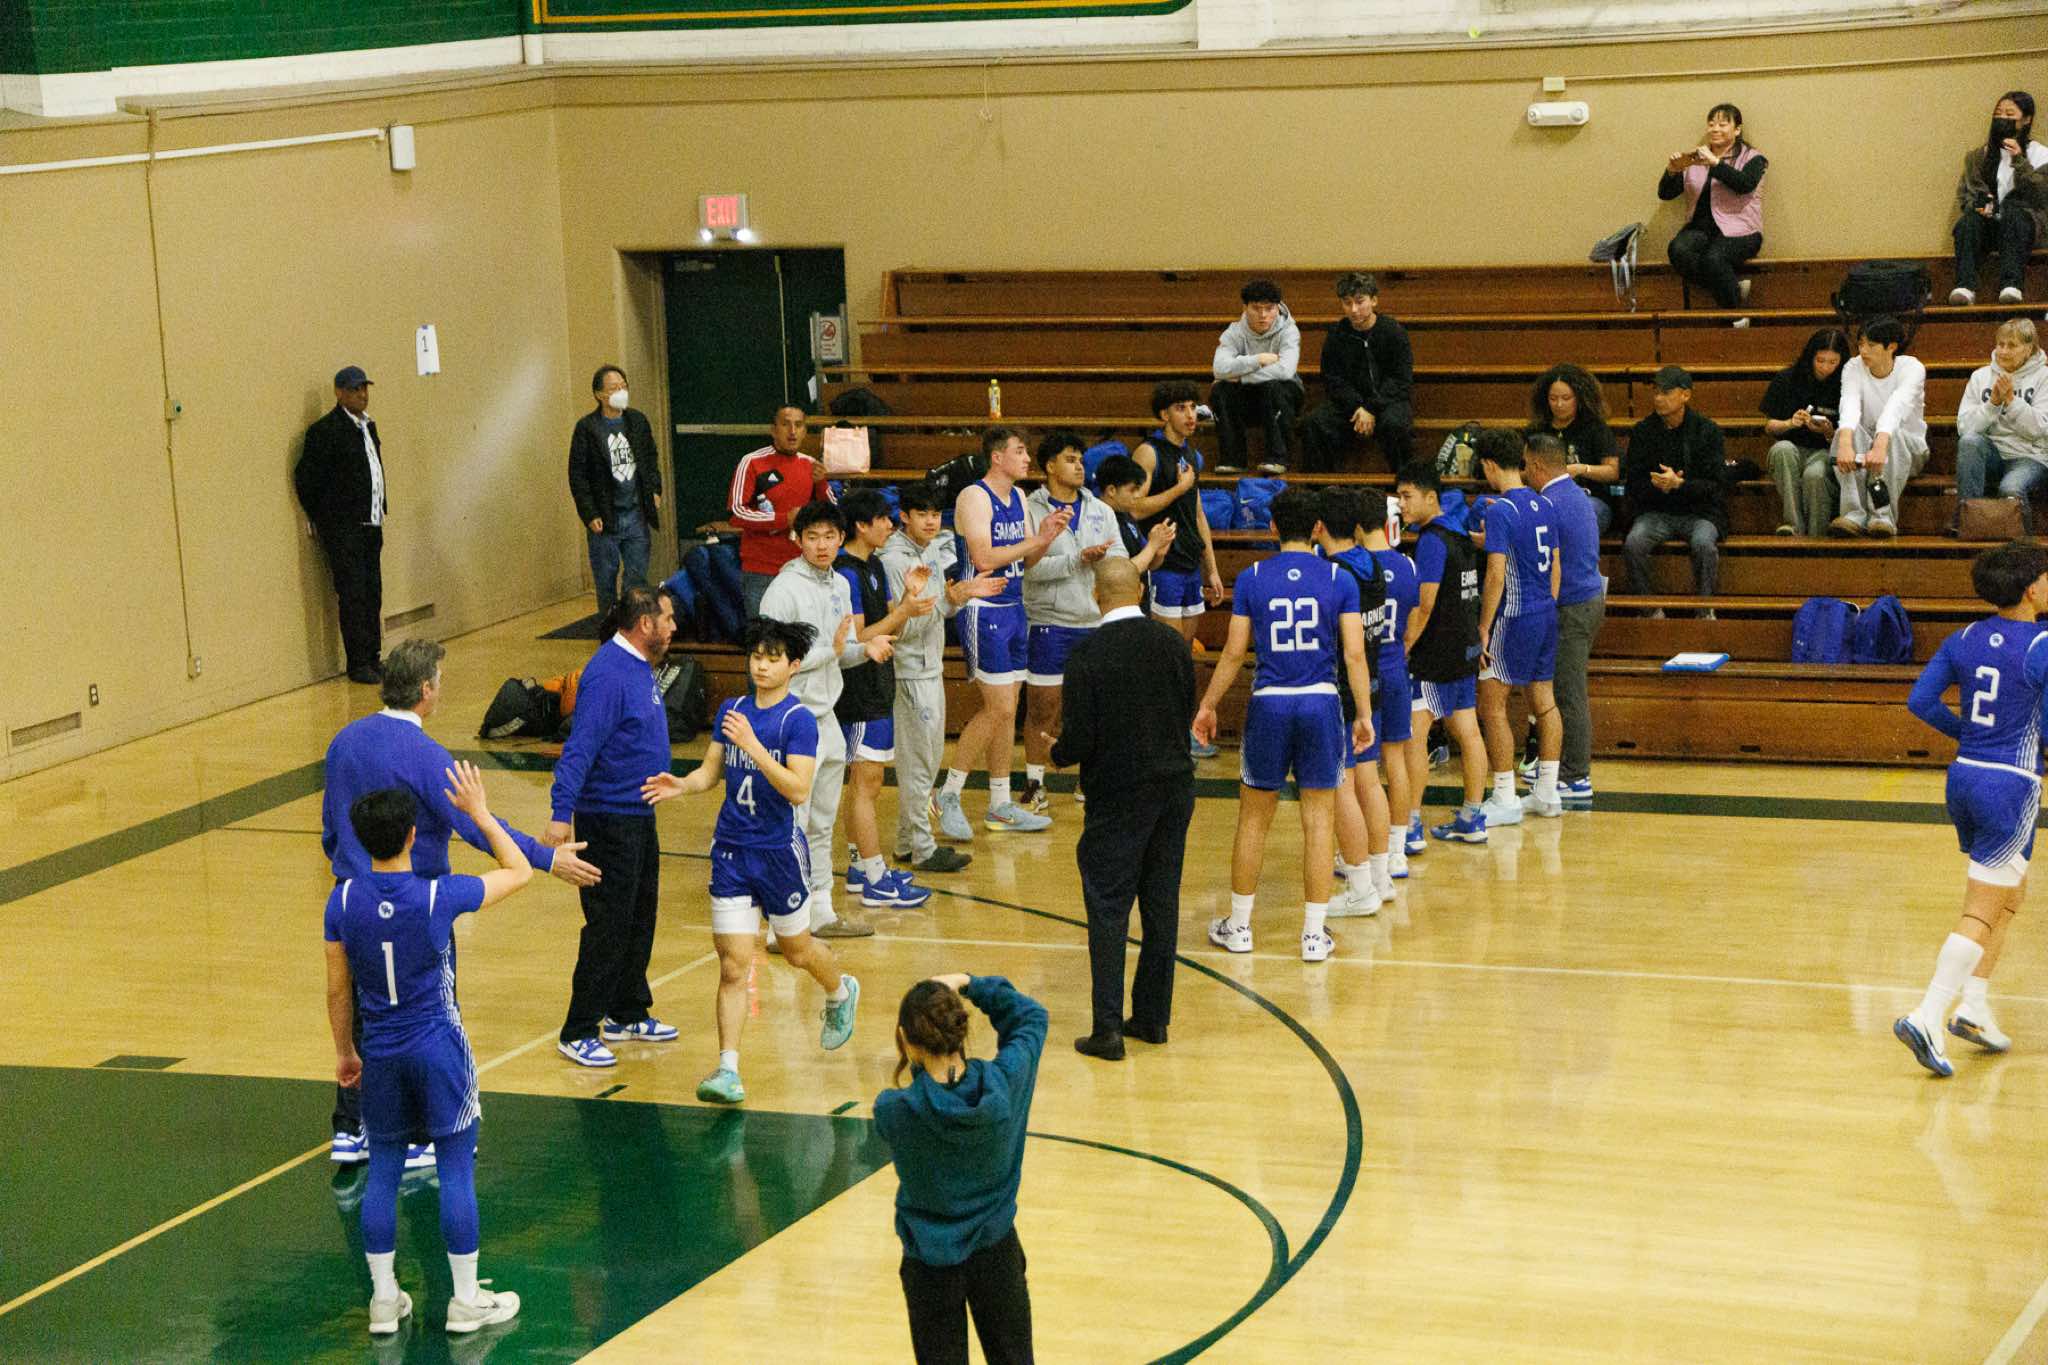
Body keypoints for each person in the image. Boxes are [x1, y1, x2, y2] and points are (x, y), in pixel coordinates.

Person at [322, 638, 599, 1162]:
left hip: (351, 900)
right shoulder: (428, 757)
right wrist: (546, 857)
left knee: (367, 1009)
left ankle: (352, 1126)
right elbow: (477, 826)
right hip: (415, 906)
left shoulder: (343, 743)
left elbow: (330, 829)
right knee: (430, 1017)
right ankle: (424, 1133)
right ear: (426, 689)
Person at [324, 766, 529, 1336]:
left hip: (381, 1053)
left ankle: (383, 1300)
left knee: (384, 1171)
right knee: (455, 1167)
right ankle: (465, 1300)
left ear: (361, 839)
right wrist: (480, 813)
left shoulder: (341, 901)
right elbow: (518, 870)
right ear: (413, 836)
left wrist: (345, 1052)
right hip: (438, 1049)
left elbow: (337, 990)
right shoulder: (439, 894)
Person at [641, 617, 862, 1105]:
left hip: (778, 853)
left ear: (793, 666)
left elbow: (798, 789)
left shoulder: (797, 721)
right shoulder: (733, 710)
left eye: (772, 659)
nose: (761, 666)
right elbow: (710, 773)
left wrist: (756, 748)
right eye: (756, 657)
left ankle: (840, 990)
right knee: (733, 966)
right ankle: (728, 1070)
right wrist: (682, 785)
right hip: (731, 851)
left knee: (797, 951)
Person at [1193, 489, 1374, 963]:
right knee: (1319, 821)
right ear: (1317, 528)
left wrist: (1208, 704)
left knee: (1253, 819)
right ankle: (1313, 936)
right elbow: (1354, 654)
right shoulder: (1339, 577)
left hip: (1269, 704)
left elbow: (1235, 652)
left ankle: (1240, 927)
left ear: (1272, 527)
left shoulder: (1252, 577)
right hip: (1321, 702)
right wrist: (1363, 713)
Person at [1895, 541, 2048, 1077]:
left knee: (2009, 894)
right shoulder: (2043, 645)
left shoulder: (1962, 638)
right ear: (2031, 589)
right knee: (1982, 909)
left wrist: (1969, 734)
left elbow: (1920, 701)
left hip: (1964, 777)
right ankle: (1928, 1014)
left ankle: (1974, 1008)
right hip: (2011, 787)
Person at [1047, 558, 1196, 1057]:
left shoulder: (1087, 655)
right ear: (1142, 590)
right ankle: (1152, 1019)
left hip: (1118, 796)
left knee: (1108, 909)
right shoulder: (1173, 644)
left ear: (1096, 597)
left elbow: (1080, 738)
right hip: (1174, 790)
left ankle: (1107, 1030)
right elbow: (1185, 710)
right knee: (1161, 905)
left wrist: (1056, 753)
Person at [875, 973, 1046, 1365]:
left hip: (929, 1263)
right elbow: (1031, 1017)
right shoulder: (1006, 1083)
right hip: (997, 1253)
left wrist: (921, 1063)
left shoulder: (894, 1111)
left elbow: (928, 1094)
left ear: (905, 1040)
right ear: (959, 1029)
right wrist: (969, 983)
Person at [549, 586, 679, 1068]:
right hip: (608, 819)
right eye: (667, 618)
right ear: (645, 624)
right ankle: (579, 1028)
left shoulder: (638, 665)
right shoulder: (607, 674)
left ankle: (627, 1011)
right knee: (608, 924)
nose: (673, 627)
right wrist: (560, 815)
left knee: (640, 915)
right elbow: (579, 748)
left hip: (638, 815)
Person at [761, 501, 897, 939]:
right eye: (812, 537)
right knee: (793, 823)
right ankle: (780, 922)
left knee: (822, 820)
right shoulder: (783, 589)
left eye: (829, 537)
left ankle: (819, 910)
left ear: (841, 539)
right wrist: (833, 652)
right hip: (792, 718)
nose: (821, 545)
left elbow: (842, 651)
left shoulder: (840, 583)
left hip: (827, 718)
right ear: (797, 540)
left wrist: (863, 650)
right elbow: (769, 660)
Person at [934, 428, 1069, 839]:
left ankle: (1000, 804)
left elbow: (1027, 562)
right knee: (998, 709)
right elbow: (983, 557)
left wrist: (1046, 537)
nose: (1027, 458)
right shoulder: (974, 496)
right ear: (997, 457)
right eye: (1020, 451)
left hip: (1014, 607)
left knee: (1008, 712)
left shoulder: (1021, 498)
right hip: (982, 608)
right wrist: (1036, 538)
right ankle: (948, 792)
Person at [881, 482, 1002, 876]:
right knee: (919, 763)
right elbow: (903, 625)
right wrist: (947, 602)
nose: (931, 522)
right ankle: (922, 848)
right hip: (910, 670)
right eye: (923, 514)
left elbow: (936, 610)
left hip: (928, 666)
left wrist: (957, 597)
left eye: (935, 514)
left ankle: (906, 842)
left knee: (927, 759)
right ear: (904, 516)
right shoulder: (894, 560)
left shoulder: (930, 549)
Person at [834, 489, 936, 910]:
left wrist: (909, 602)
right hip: (858, 691)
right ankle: (874, 876)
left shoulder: (873, 564)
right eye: (883, 519)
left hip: (879, 684)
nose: (890, 525)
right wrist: (904, 612)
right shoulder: (847, 573)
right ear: (861, 525)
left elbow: (892, 623)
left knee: (865, 782)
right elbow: (859, 637)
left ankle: (861, 867)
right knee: (867, 782)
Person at [1020, 431, 1129, 815]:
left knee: (1095, 708)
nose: (1080, 466)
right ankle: (1035, 785)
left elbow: (1119, 561)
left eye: (1081, 459)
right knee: (1042, 709)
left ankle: (1089, 780)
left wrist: (1106, 560)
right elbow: (1027, 569)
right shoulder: (1029, 509)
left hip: (1094, 623)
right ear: (1050, 466)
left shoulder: (1101, 510)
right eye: (1070, 459)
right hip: (1048, 621)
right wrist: (1078, 559)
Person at [1129, 381, 1226, 756]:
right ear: (1163, 414)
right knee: (1165, 656)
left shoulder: (1192, 455)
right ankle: (1160, 736)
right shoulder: (1149, 452)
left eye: (1192, 407)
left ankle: (1180, 731)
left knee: (1182, 655)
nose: (1190, 415)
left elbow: (1197, 513)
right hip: (1163, 563)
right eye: (1181, 408)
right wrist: (1178, 489)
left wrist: (1211, 568)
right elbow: (1135, 507)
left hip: (1189, 564)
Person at [1472, 430, 1564, 824]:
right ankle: (1547, 793)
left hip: (1514, 615)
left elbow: (1496, 575)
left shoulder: (1500, 511)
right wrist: (1547, 604)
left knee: (1491, 705)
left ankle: (1505, 797)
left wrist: (1483, 626)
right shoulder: (1544, 504)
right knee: (1544, 701)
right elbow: (1555, 564)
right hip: (1546, 611)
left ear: (1489, 465)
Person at [1396, 462, 1489, 844]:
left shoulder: (1432, 540)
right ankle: (1472, 817)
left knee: (1414, 738)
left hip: (1435, 656)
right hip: (1463, 649)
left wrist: (1405, 646)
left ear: (1431, 497)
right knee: (1467, 731)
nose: (1401, 504)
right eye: (1399, 497)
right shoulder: (1460, 533)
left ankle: (1410, 825)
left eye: (1407, 496)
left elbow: (1425, 604)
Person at [1313, 489, 1394, 915]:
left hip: (1344, 692)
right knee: (1368, 781)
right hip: (1372, 685)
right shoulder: (1373, 564)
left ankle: (1361, 888)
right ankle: (1381, 877)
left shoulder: (1334, 575)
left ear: (1319, 526)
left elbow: (1347, 648)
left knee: (1342, 786)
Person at [1524, 433, 1605, 810]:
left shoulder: (1548, 504)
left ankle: (1576, 776)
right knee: (1561, 690)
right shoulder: (1575, 495)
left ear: (1538, 465)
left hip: (1572, 606)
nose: (1524, 473)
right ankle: (1558, 768)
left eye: (1526, 466)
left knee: (1568, 692)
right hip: (1586, 600)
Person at [295, 365, 388, 684]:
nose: (361, 395)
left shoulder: (368, 426)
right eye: (354, 389)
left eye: (364, 389)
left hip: (371, 523)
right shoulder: (326, 431)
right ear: (339, 393)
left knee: (372, 592)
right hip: (346, 528)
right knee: (353, 594)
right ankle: (358, 662)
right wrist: (328, 518)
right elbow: (307, 479)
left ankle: (373, 656)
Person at [1623, 366, 1727, 607]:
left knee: (1704, 544)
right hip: (1656, 510)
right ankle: (1648, 609)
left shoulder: (1707, 430)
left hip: (1700, 512)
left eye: (1666, 392)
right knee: (1634, 543)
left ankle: (1705, 609)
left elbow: (1716, 484)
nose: (1659, 398)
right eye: (1656, 392)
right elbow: (1634, 483)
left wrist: (1680, 484)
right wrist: (1657, 485)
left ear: (1685, 395)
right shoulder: (1643, 431)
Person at [568, 365, 663, 621]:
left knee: (636, 579)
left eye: (623, 386)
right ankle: (609, 629)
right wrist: (589, 513)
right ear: (599, 394)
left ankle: (633, 629)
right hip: (605, 518)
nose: (621, 391)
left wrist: (655, 489)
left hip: (636, 514)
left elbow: (650, 458)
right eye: (614, 388)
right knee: (605, 581)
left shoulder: (637, 421)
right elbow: (578, 475)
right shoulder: (587, 428)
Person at [1657, 102, 1767, 315]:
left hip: (1742, 231)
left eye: (1723, 124)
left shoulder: (1754, 158)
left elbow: (1744, 184)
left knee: (1714, 258)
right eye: (1711, 124)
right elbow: (1665, 194)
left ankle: (1735, 317)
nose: (1715, 129)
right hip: (1700, 229)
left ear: (1737, 130)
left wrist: (1715, 163)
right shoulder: (1694, 159)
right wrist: (1672, 171)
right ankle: (1732, 289)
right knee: (1678, 250)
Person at [1304, 272, 1415, 473]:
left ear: (1374, 300)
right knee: (1315, 423)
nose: (1354, 310)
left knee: (1395, 424)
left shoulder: (1393, 331)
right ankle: (1321, 487)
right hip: (1349, 405)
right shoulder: (1336, 334)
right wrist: (1357, 406)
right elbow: (1332, 379)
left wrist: (1371, 407)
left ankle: (1404, 482)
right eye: (1347, 303)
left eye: (1359, 301)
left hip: (1388, 401)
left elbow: (1400, 379)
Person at [1830, 318, 1928, 540]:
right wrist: (1844, 444)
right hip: (1868, 448)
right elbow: (1849, 404)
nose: (1863, 351)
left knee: (1893, 437)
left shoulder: (1912, 368)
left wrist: (1880, 444)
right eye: (1861, 344)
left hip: (1908, 448)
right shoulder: (1853, 367)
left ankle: (1882, 516)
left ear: (1891, 346)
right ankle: (1853, 514)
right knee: (1845, 433)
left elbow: (1896, 407)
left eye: (1871, 345)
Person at [1949, 91, 2048, 306]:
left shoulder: (2040, 154)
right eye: (1998, 114)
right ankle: (1965, 286)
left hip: (2024, 229)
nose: (2002, 118)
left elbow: (2041, 195)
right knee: (1967, 222)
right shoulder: (1979, 156)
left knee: (2014, 214)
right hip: (1989, 226)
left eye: (2009, 114)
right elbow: (1965, 194)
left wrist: (2019, 159)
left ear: (2026, 119)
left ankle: (2011, 285)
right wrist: (1978, 205)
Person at [730, 404, 828, 614]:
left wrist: (821, 484)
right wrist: (784, 519)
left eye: (798, 425)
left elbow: (831, 513)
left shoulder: (811, 465)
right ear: (773, 430)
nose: (792, 431)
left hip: (802, 567)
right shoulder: (752, 462)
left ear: (805, 431)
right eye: (785, 424)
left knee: (803, 632)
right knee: (764, 633)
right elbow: (736, 512)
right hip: (762, 570)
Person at [1956, 318, 2048, 533]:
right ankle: (1966, 522)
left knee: (2010, 489)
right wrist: (1993, 404)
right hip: (1992, 455)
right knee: (1969, 442)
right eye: (2000, 344)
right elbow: (1964, 428)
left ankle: (2023, 545)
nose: (2003, 351)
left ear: (2029, 349)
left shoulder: (2044, 378)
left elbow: (2039, 429)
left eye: (2012, 345)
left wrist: (2012, 402)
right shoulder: (1980, 377)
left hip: (2031, 458)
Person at [1762, 328, 1850, 537]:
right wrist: (1790, 423)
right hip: (1792, 448)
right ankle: (1794, 525)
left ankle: (1816, 534)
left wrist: (1829, 432)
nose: (1825, 367)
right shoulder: (1787, 379)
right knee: (1781, 450)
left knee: (1815, 475)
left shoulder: (1846, 385)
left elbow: (1850, 432)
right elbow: (1769, 426)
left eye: (1832, 362)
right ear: (1810, 356)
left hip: (1824, 451)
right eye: (1820, 360)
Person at [1210, 279, 1305, 473]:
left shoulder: (1289, 331)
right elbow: (1219, 368)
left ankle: (1278, 459)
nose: (1263, 315)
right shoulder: (1234, 331)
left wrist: (1242, 377)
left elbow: (1285, 370)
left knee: (1272, 387)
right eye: (1256, 308)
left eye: (1269, 309)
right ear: (1245, 308)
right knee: (1220, 389)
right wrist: (1258, 359)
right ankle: (1232, 459)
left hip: (1285, 395)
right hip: (1250, 397)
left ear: (1277, 308)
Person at [1528, 363, 1621, 535]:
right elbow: (1520, 472)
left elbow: (1612, 471)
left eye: (1566, 398)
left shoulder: (1595, 428)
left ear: (1579, 398)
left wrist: (1582, 469)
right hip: (1545, 498)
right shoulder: (1537, 430)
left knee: (1577, 514)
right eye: (1553, 399)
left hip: (1590, 498)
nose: (1559, 404)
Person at [1093, 454, 1177, 603]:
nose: (1138, 495)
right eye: (1132, 490)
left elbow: (1149, 564)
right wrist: (1152, 546)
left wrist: (1159, 551)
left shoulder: (1126, 515)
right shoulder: (1097, 521)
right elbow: (1120, 574)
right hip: (1115, 605)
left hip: (1138, 602)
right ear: (1111, 490)